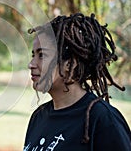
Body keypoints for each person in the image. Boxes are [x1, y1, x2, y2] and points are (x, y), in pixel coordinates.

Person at [24, 13, 131, 151]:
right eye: (33, 55)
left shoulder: (102, 119)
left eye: (42, 55)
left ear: (70, 63)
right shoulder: (38, 118)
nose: (31, 64)